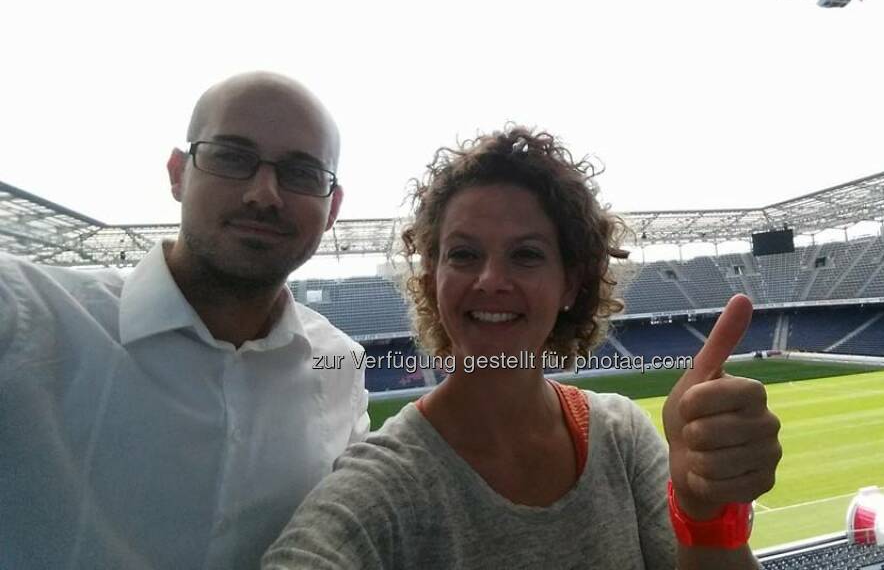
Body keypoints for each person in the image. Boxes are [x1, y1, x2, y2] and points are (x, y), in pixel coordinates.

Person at [262, 127, 781, 569]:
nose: (491, 280)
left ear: (571, 284)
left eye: (526, 255)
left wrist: (705, 511)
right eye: (463, 254)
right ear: (432, 279)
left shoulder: (621, 438)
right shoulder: (386, 482)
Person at [0, 72, 370, 569]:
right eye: (232, 157)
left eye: (302, 172)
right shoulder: (29, 316)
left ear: (333, 209)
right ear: (178, 173)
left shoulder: (339, 363)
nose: (264, 194)